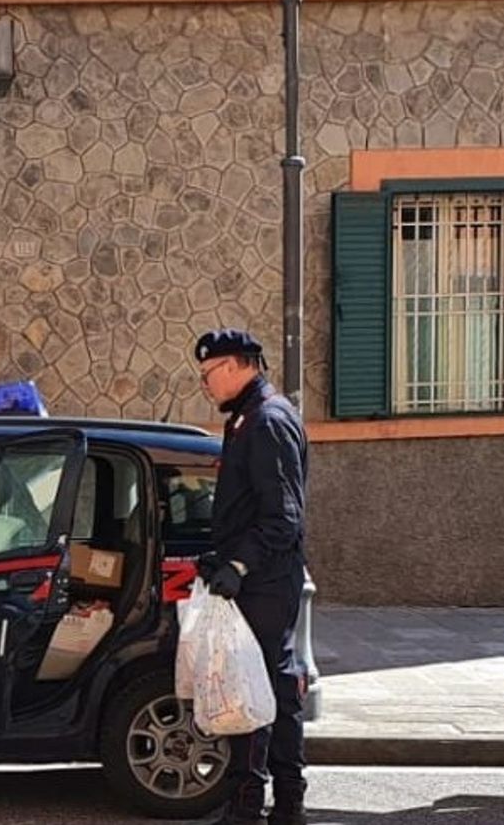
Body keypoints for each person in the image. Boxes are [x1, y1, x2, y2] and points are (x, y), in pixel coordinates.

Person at [192, 328, 309, 825]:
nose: (206, 385)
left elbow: (283, 517)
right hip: (255, 578)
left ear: (239, 365)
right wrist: (219, 555)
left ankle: (271, 802)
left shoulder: (267, 421)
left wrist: (238, 565)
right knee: (251, 690)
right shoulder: (246, 418)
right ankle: (264, 799)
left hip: (264, 582)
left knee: (263, 693)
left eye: (209, 374)